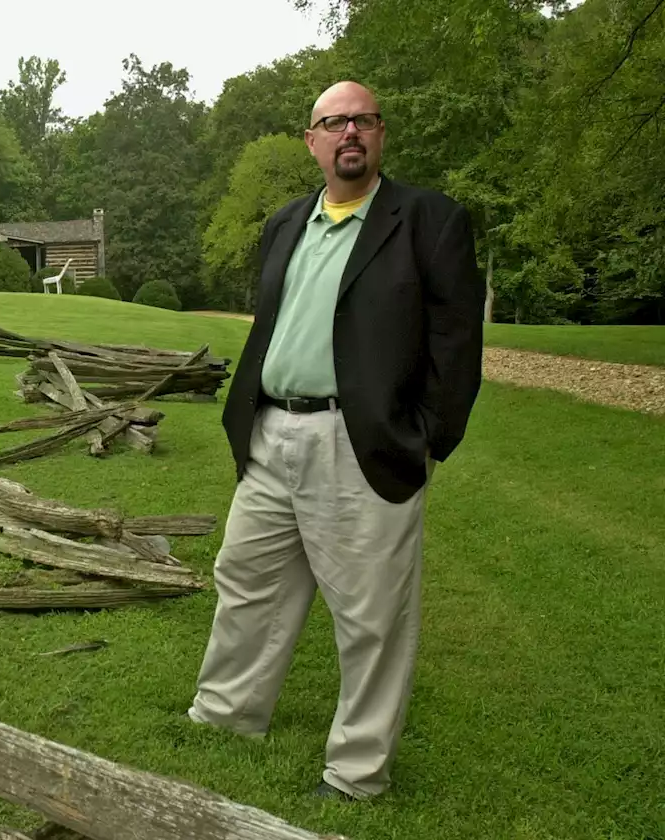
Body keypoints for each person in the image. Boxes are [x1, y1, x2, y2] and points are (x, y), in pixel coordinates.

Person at [186, 81, 486, 800]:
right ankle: (227, 717)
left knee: (371, 615)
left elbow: (456, 343)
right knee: (247, 584)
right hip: (271, 435)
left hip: (362, 444)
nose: (349, 132)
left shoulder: (428, 221)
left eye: (362, 120)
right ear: (312, 141)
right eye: (334, 122)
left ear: (380, 134)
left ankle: (356, 774)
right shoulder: (287, 223)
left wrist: (424, 439)